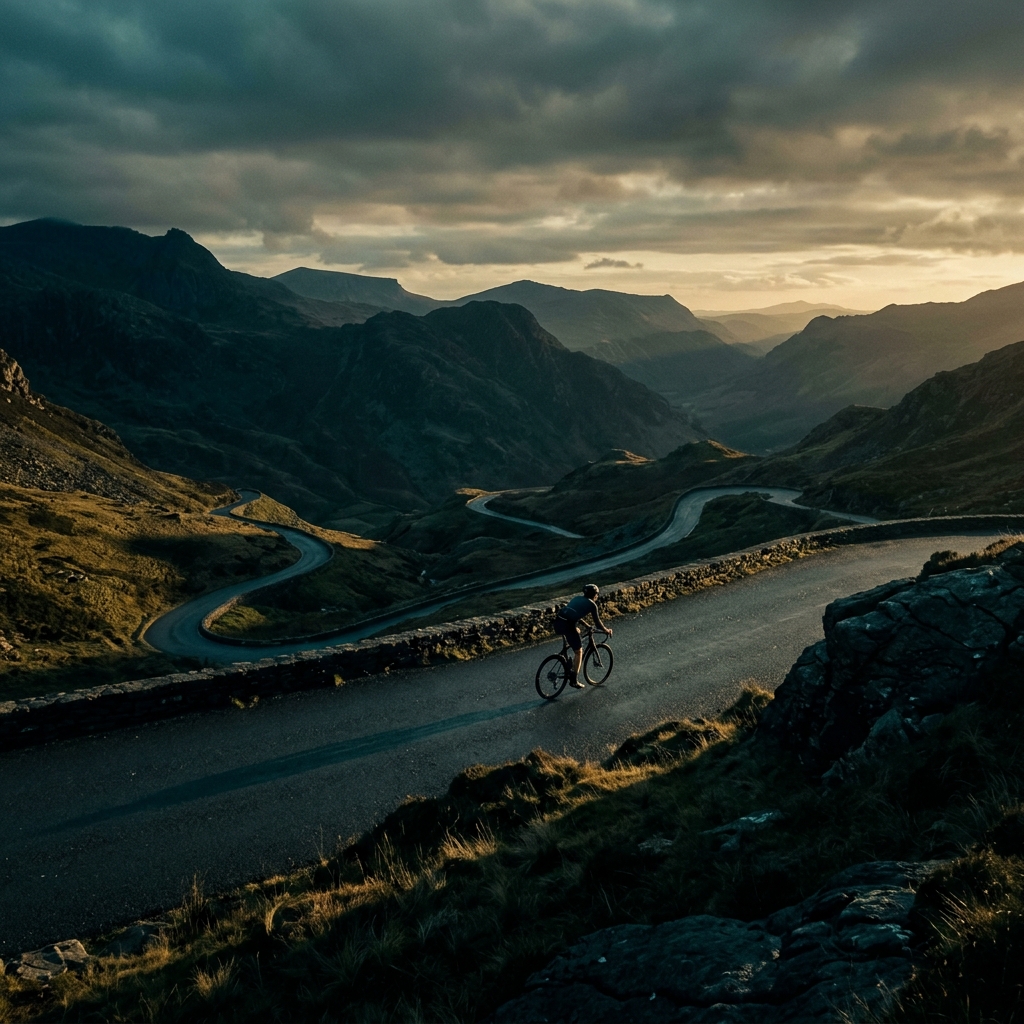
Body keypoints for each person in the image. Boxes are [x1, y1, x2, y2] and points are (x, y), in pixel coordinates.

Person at [554, 583, 613, 688]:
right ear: (594, 595)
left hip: (558, 623)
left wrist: (586, 625)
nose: (597, 596)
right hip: (568, 625)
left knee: (575, 634)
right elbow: (598, 623)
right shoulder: (592, 605)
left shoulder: (577, 598)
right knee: (579, 651)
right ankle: (574, 681)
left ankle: (568, 665)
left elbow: (573, 614)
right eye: (597, 594)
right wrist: (606, 630)